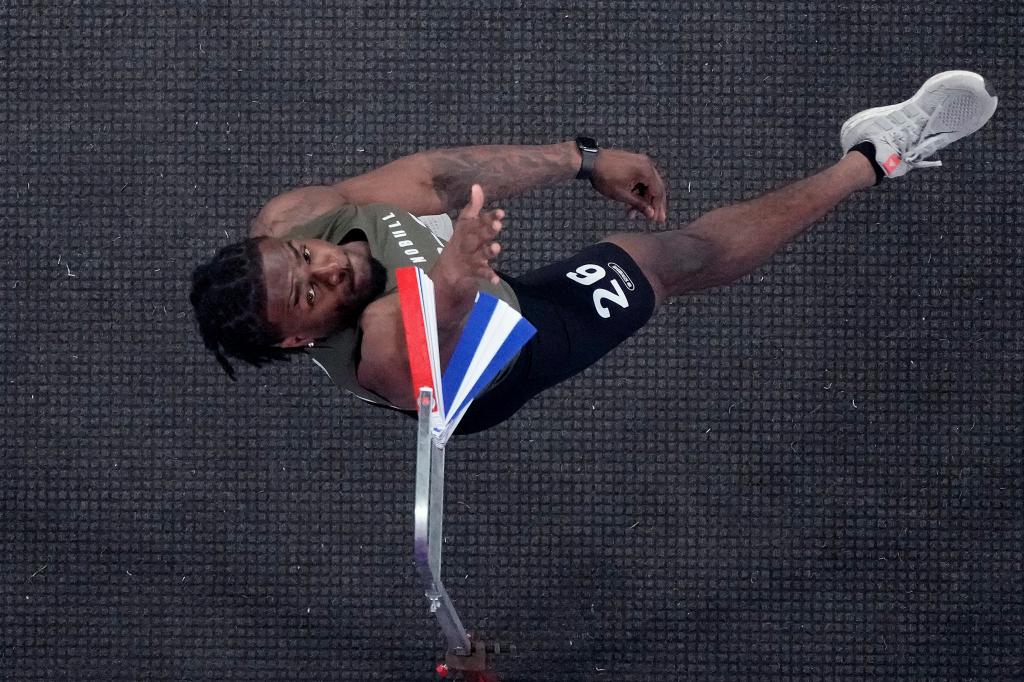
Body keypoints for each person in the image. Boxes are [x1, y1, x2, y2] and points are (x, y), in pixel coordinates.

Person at [190, 71, 998, 435]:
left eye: (304, 256)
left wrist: (582, 158)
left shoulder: (304, 214)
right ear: (299, 337)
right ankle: (876, 161)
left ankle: (871, 148)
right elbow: (424, 354)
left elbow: (438, 178)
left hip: (464, 282)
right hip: (497, 357)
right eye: (307, 294)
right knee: (670, 262)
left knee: (669, 241)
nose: (325, 269)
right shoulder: (370, 352)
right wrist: (454, 283)